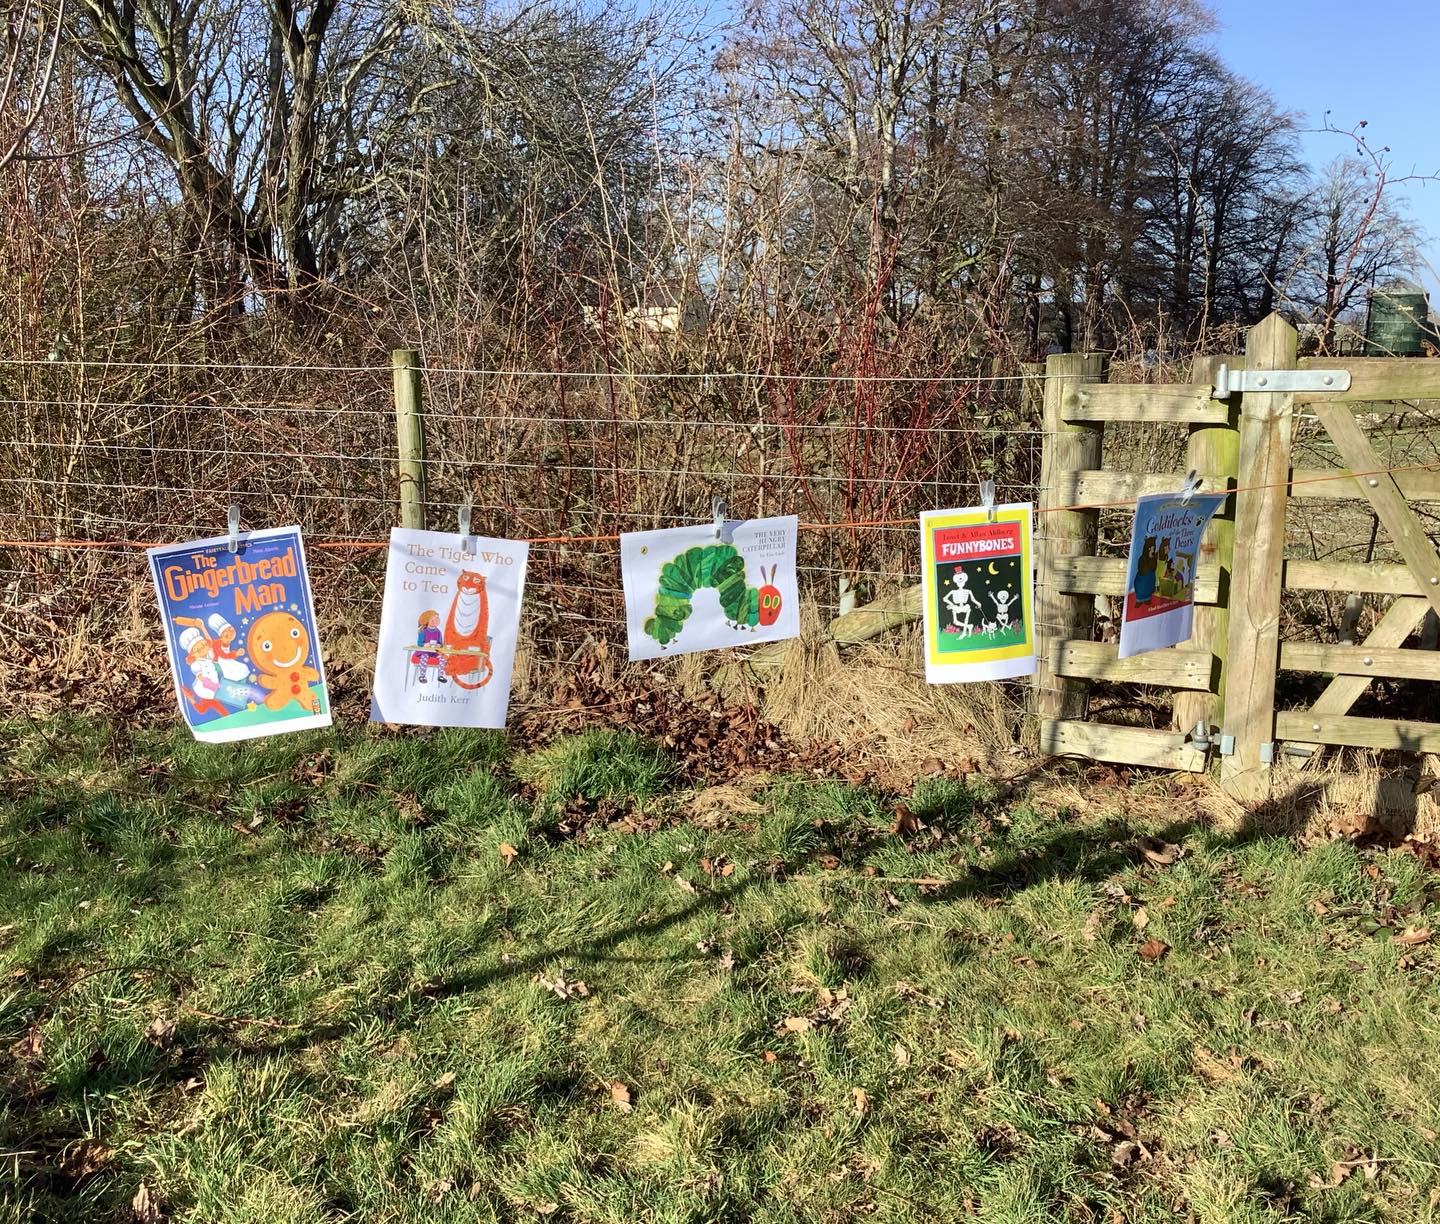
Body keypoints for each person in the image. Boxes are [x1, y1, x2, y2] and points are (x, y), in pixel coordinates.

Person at [412, 610, 448, 684]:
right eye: (434, 619)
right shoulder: (423, 631)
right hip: (424, 652)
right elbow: (419, 643)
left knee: (443, 658)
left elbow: (440, 643)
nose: (437, 620)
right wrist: (425, 645)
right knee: (424, 657)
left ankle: (440, 676)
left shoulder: (438, 632)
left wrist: (439, 645)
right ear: (427, 620)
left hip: (434, 652)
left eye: (438, 618)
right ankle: (422, 676)